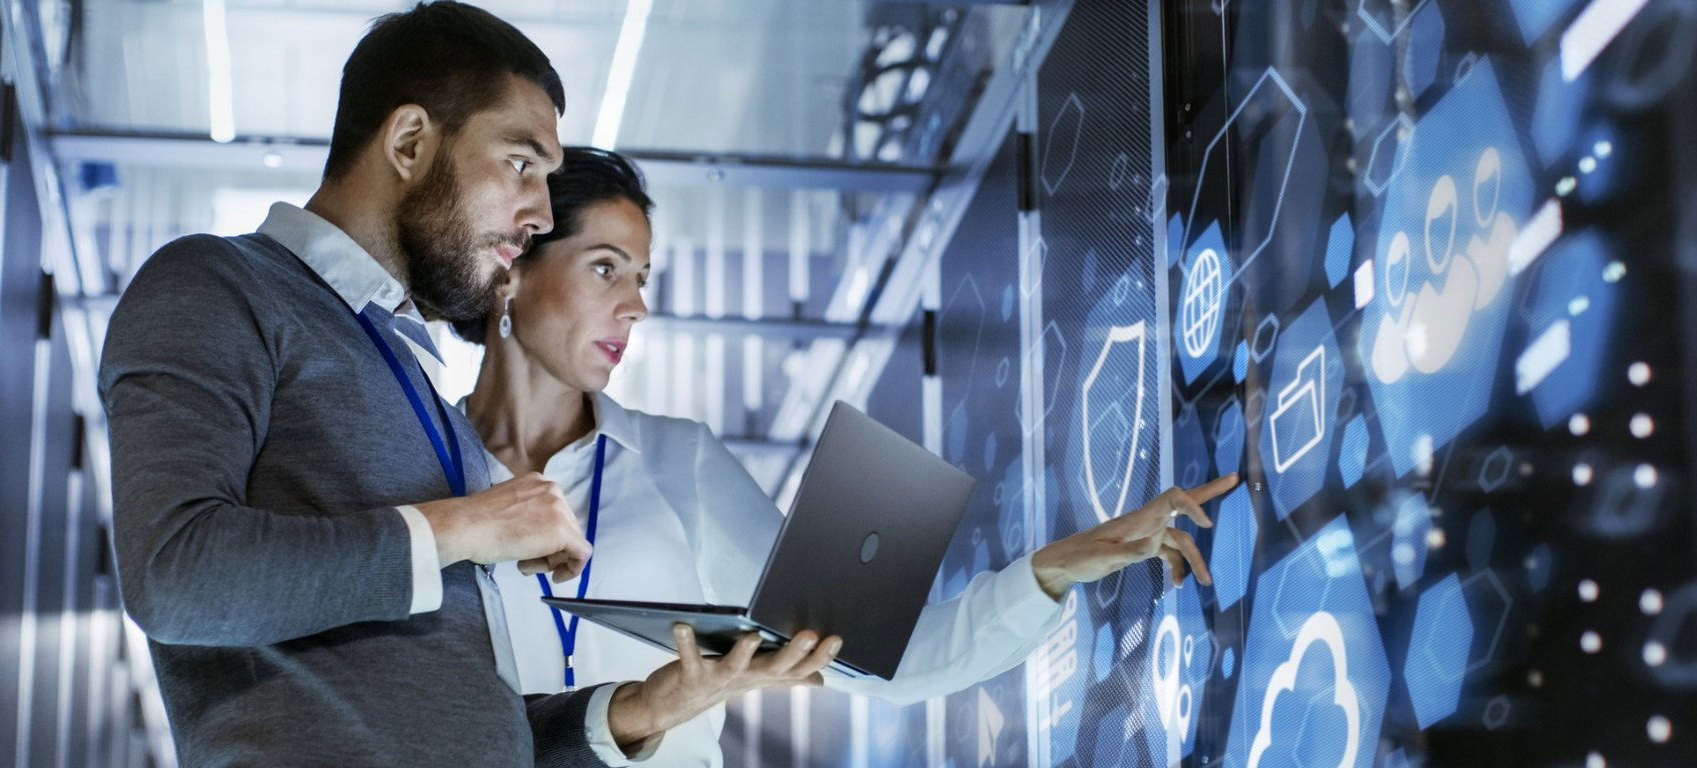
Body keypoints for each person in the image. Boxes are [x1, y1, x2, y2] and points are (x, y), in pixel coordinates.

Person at [98, 5, 835, 766]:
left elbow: (459, 717)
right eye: (521, 164)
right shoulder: (219, 284)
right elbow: (176, 575)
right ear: (411, 141)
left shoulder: (412, 378)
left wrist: (644, 708)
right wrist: (462, 527)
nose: (540, 214)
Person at [454, 146, 1243, 766]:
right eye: (605, 268)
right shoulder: (425, 475)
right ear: (513, 268)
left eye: (642, 277)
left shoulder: (675, 461)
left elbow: (883, 663)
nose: (637, 304)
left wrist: (1058, 567)